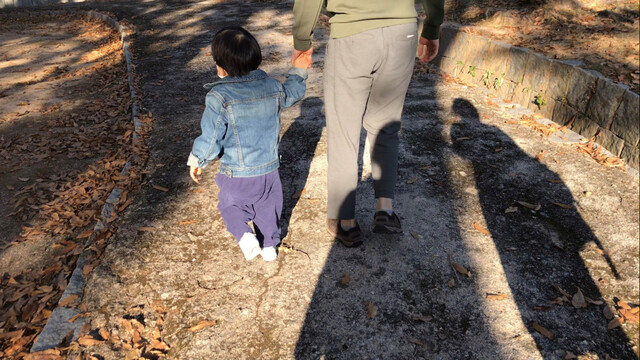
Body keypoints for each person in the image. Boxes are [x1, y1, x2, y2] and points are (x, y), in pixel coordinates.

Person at [291, 0, 445, 247]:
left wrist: (302, 41)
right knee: (386, 123)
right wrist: (432, 26)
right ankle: (385, 209)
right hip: (401, 32)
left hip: (351, 34)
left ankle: (346, 222)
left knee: (343, 132)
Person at [188, 26, 311, 261]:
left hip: (237, 173)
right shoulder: (273, 88)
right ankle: (269, 247)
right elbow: (293, 92)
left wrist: (198, 160)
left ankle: (246, 237)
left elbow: (211, 137)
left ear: (221, 67)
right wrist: (299, 69)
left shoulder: (219, 98)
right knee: (268, 208)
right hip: (269, 170)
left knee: (230, 206)